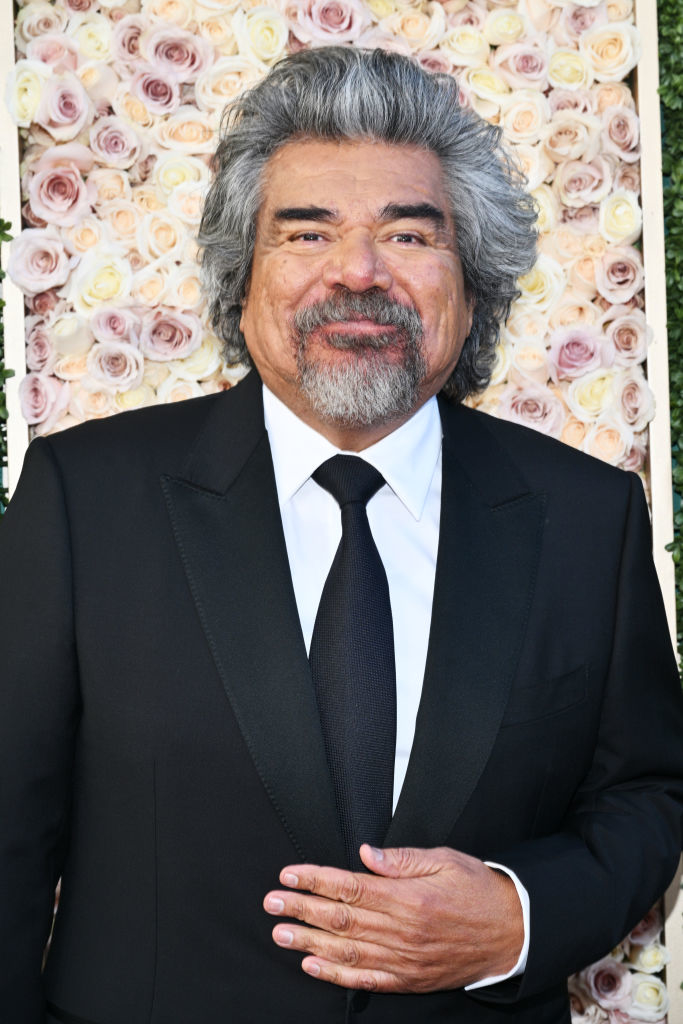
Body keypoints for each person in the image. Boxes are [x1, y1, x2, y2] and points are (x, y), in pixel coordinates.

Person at [1, 46, 682, 1024]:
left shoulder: (587, 516)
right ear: (240, 278)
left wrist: (519, 917)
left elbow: (646, 791)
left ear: (471, 284)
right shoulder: (84, 499)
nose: (357, 271)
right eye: (307, 232)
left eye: (407, 234)